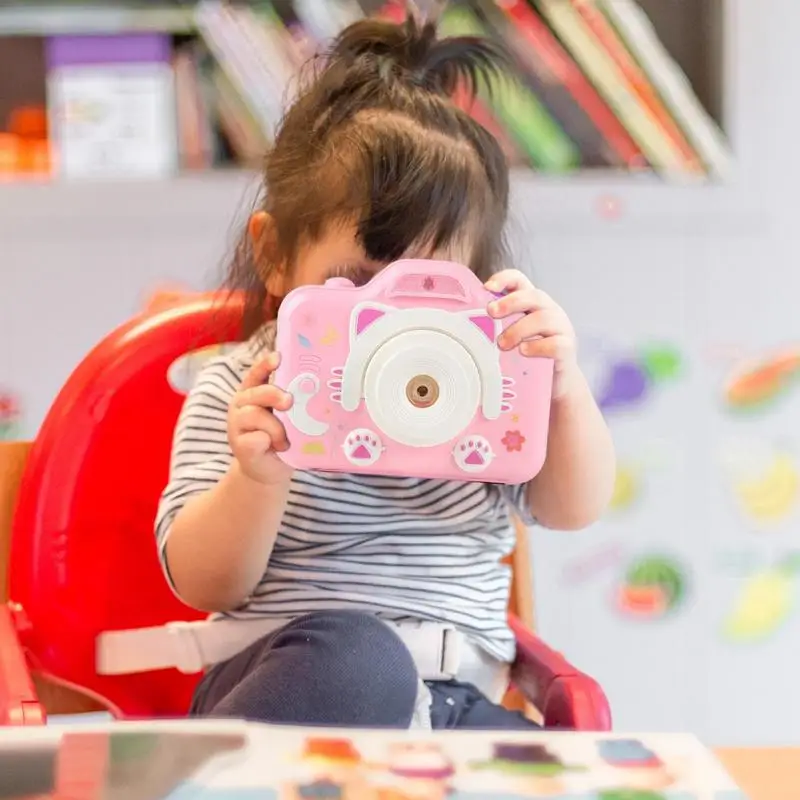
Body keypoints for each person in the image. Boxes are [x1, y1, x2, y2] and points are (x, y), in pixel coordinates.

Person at [155, 13, 615, 730]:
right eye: (358, 281)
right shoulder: (245, 389)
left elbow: (572, 507)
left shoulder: (488, 384)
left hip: (457, 701)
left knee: (548, 771)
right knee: (358, 659)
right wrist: (257, 477)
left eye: (429, 286)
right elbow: (202, 580)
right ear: (276, 256)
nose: (389, 321)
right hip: (299, 684)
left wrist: (563, 389)